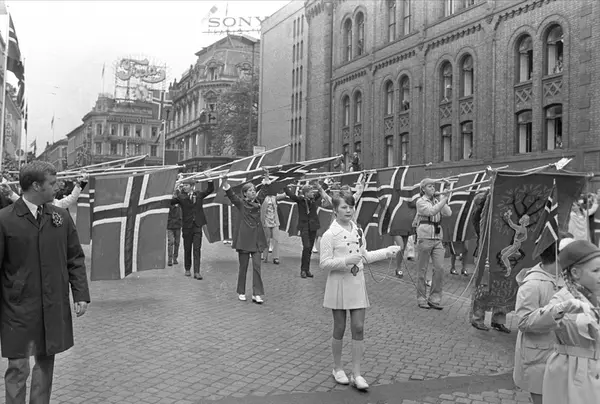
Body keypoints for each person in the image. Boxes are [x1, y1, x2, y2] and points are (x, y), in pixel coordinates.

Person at [0, 161, 90, 404]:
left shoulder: (61, 217)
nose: (57, 187)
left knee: (45, 363)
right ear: (36, 186)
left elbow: (74, 257)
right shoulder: (5, 219)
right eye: (52, 183)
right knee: (18, 367)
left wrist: (80, 293)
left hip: (51, 303)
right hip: (17, 308)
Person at [320, 192, 400, 390]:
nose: (349, 210)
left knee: (358, 327)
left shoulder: (358, 231)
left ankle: (356, 373)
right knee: (339, 327)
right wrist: (345, 261)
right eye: (344, 207)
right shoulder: (330, 235)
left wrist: (386, 252)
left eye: (351, 206)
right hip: (338, 282)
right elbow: (324, 263)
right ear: (335, 210)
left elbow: (365, 256)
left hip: (356, 282)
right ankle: (338, 368)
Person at [542, 240, 600, 404]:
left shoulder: (596, 295)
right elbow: (532, 322)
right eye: (596, 270)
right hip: (571, 371)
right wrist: (560, 309)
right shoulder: (564, 298)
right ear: (575, 273)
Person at [512, 237, 567, 404]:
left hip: (562, 355)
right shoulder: (532, 284)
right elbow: (524, 321)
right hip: (538, 357)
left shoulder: (566, 278)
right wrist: (555, 312)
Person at [222, 173, 271, 304]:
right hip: (244, 240)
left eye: (254, 190)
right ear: (245, 193)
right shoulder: (241, 203)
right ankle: (241, 292)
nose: (253, 192)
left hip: (257, 240)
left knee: (257, 267)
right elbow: (231, 195)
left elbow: (264, 191)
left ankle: (257, 293)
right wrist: (225, 182)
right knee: (243, 267)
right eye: (250, 190)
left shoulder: (258, 202)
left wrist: (266, 177)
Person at [414, 178, 452, 310]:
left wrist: (443, 198)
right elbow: (431, 211)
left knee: (439, 268)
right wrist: (444, 199)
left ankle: (434, 299)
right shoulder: (420, 201)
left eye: (433, 186)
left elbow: (448, 213)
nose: (432, 188)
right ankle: (421, 298)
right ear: (423, 189)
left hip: (437, 238)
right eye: (429, 186)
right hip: (424, 237)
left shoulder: (437, 201)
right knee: (422, 270)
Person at [171, 179, 214, 279]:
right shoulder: (181, 197)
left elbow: (209, 190)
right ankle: (187, 268)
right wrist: (174, 189)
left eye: (186, 185)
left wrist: (210, 180)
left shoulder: (198, 194)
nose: (184, 187)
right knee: (187, 248)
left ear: (191, 186)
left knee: (197, 249)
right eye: (183, 185)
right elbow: (171, 201)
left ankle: (197, 272)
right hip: (187, 226)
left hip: (197, 225)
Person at [284, 182, 325, 278]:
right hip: (304, 226)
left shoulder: (313, 199)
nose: (312, 193)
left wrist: (322, 185)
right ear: (306, 193)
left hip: (313, 226)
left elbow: (321, 192)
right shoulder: (300, 200)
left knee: (309, 249)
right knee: (306, 247)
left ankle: (307, 270)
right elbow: (291, 195)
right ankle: (303, 270)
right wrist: (284, 186)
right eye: (310, 192)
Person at [261, 191, 285, 265]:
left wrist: (286, 188)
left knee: (276, 239)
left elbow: (283, 195)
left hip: (275, 221)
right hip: (266, 221)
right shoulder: (262, 197)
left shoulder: (274, 197)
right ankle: (265, 256)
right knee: (266, 239)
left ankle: (276, 257)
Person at [167, 199, 182, 267]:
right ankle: (170, 259)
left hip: (178, 225)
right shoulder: (168, 202)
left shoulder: (180, 202)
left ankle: (175, 257)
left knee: (177, 242)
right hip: (170, 226)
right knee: (171, 241)